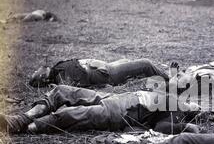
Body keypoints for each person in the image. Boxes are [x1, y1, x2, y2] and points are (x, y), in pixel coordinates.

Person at [0, 85, 203, 135]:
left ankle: (26, 128)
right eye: (197, 103)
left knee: (70, 115)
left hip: (118, 114)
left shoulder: (177, 112)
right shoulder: (174, 99)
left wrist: (188, 126)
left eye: (199, 107)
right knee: (63, 91)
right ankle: (22, 117)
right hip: (114, 99)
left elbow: (162, 127)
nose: (197, 104)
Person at [29, 58, 169, 87]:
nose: (37, 68)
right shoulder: (62, 79)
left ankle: (163, 75)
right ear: (42, 76)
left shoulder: (57, 69)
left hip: (106, 66)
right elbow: (83, 87)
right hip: (109, 73)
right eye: (35, 72)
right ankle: (170, 81)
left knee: (128, 59)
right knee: (146, 64)